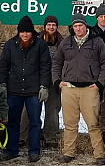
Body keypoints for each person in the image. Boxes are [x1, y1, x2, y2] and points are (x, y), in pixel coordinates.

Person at [52, 13, 105, 165]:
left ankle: (99, 154)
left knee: (93, 123)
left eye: (81, 25)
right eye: (75, 26)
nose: (78, 29)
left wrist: (99, 83)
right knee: (70, 124)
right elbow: (57, 62)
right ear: (72, 28)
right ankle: (68, 153)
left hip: (89, 89)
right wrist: (57, 80)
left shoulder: (97, 42)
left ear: (86, 26)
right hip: (69, 89)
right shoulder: (66, 43)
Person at [0, 16, 51, 163]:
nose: (25, 35)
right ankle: (11, 150)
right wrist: (2, 84)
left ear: (32, 32)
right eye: (22, 32)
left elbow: (45, 67)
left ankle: (34, 151)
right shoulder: (10, 45)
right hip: (13, 90)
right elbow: (3, 66)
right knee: (13, 121)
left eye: (28, 32)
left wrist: (44, 86)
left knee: (35, 121)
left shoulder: (41, 45)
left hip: (34, 90)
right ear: (18, 33)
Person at [19, 15, 64, 148]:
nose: (51, 27)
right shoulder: (35, 40)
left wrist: (60, 80)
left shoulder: (62, 42)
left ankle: (50, 137)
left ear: (57, 27)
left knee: (53, 110)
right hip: (35, 80)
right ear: (44, 26)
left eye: (53, 25)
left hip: (53, 82)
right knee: (28, 110)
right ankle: (23, 136)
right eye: (49, 24)